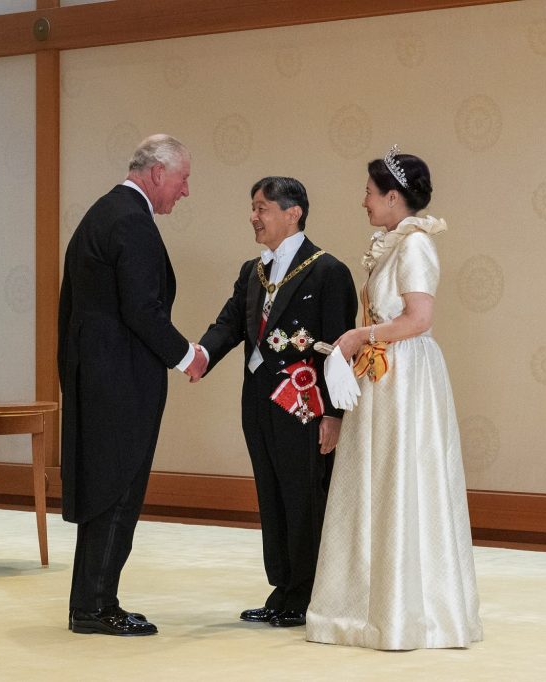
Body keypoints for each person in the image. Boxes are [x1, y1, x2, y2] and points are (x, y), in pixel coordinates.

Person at [305, 146, 483, 650]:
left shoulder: (416, 245)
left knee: (403, 478)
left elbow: (419, 318)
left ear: (392, 196)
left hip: (406, 377)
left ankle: (412, 612)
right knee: (376, 479)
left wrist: (360, 335)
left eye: (368, 192)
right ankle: (364, 606)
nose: (363, 201)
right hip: (385, 374)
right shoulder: (393, 243)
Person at [57, 134, 206, 637]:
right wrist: (188, 356)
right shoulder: (131, 221)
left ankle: (91, 602)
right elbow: (141, 309)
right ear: (158, 173)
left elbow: (71, 309)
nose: (185, 192)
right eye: (183, 179)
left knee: (104, 487)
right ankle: (97, 607)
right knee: (117, 491)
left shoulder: (102, 213)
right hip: (120, 381)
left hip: (95, 376)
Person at [199, 176, 357, 628]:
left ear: (294, 213)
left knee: (304, 494)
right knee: (271, 495)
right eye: (253, 207)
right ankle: (281, 587)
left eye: (262, 207)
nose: (254, 216)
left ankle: (307, 593)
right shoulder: (254, 270)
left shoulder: (328, 271)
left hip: (304, 404)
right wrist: (201, 355)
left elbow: (335, 349)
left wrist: (333, 414)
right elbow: (231, 323)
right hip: (257, 401)